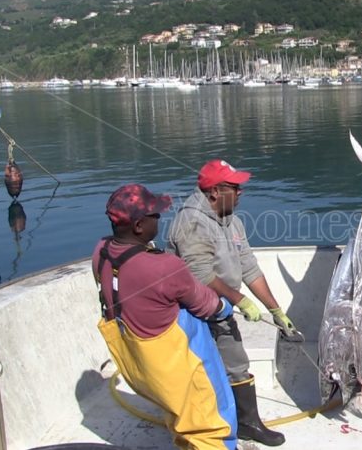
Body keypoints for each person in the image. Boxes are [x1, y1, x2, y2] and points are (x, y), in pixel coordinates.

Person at [92, 183, 237, 450]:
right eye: (155, 215)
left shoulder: (101, 252)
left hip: (138, 366)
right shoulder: (164, 266)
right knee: (210, 426)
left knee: (180, 413)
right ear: (138, 226)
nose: (160, 219)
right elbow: (205, 305)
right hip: (175, 366)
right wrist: (226, 307)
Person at [168, 159, 299, 447]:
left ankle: (246, 424)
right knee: (203, 369)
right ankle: (210, 427)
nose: (240, 192)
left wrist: (275, 309)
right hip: (194, 311)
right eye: (234, 187)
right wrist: (241, 300)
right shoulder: (191, 223)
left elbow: (249, 267)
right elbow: (199, 274)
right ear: (215, 191)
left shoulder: (233, 221)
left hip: (222, 306)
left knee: (236, 363)